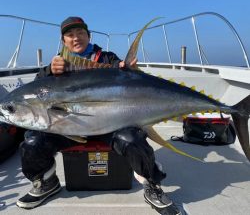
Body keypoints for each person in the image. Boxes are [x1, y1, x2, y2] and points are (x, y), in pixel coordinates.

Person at [16, 17, 173, 211]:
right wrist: (49, 70)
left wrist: (125, 66)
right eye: (70, 35)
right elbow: (36, 90)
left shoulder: (107, 59)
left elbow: (122, 69)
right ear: (63, 41)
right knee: (32, 142)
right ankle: (47, 181)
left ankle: (151, 183)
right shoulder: (56, 65)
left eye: (81, 33)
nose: (76, 38)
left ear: (89, 36)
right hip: (66, 129)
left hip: (109, 126)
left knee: (132, 139)